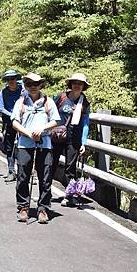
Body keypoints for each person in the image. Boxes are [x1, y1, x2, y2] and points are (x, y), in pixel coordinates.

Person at [11, 73, 60, 224]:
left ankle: (43, 208)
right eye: (29, 84)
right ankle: (23, 206)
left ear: (41, 85)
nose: (33, 87)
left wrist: (42, 129)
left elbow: (56, 121)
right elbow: (14, 122)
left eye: (36, 84)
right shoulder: (20, 102)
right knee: (23, 176)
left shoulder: (48, 101)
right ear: (25, 86)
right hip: (25, 144)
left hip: (44, 144)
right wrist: (29, 134)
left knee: (45, 178)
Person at [52, 73, 91, 207]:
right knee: (50, 164)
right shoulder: (61, 97)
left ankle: (69, 195)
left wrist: (83, 142)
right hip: (56, 136)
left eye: (80, 84)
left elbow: (85, 123)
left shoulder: (84, 103)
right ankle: (44, 193)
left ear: (83, 86)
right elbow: (49, 112)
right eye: (75, 83)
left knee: (70, 168)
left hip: (74, 138)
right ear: (70, 84)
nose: (77, 86)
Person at [0, 70, 23, 182]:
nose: (11, 81)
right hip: (9, 122)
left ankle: (24, 172)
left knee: (25, 147)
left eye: (13, 79)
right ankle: (11, 170)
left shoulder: (23, 90)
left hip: (23, 122)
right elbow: (1, 107)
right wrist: (12, 115)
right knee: (9, 148)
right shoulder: (4, 92)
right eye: (9, 79)